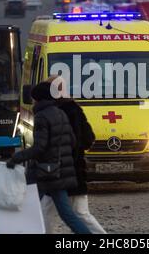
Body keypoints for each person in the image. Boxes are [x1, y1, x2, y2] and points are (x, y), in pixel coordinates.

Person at [6, 82, 91, 234]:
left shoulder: (42, 117)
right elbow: (72, 141)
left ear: (38, 99)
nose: (32, 102)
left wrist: (16, 158)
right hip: (59, 172)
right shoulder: (60, 113)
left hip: (43, 173)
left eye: (33, 99)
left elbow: (40, 147)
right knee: (67, 215)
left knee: (28, 209)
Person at [41, 76, 106, 234]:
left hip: (65, 171)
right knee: (51, 212)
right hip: (72, 170)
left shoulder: (58, 111)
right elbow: (89, 138)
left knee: (76, 213)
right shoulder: (74, 108)